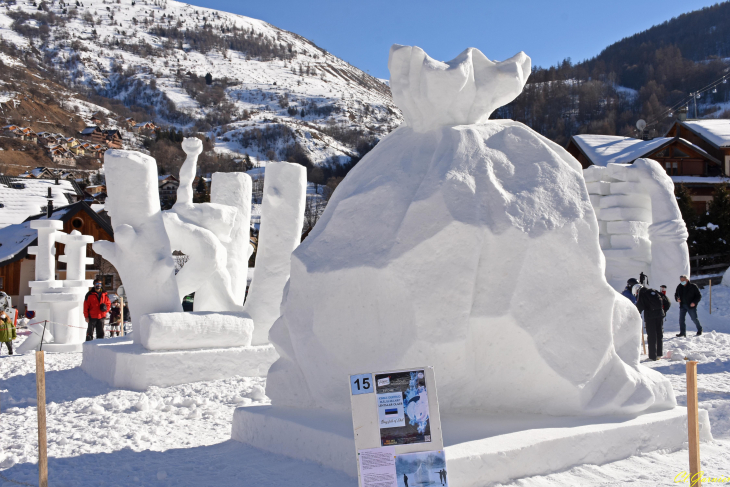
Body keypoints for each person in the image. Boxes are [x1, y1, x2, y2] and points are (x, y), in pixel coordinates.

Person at [633, 284, 670, 361]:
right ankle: (659, 354)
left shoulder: (642, 294)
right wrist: (662, 311)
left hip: (650, 317)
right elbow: (667, 302)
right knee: (659, 334)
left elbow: (638, 308)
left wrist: (634, 316)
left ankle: (653, 356)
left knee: (652, 335)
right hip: (660, 316)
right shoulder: (655, 291)